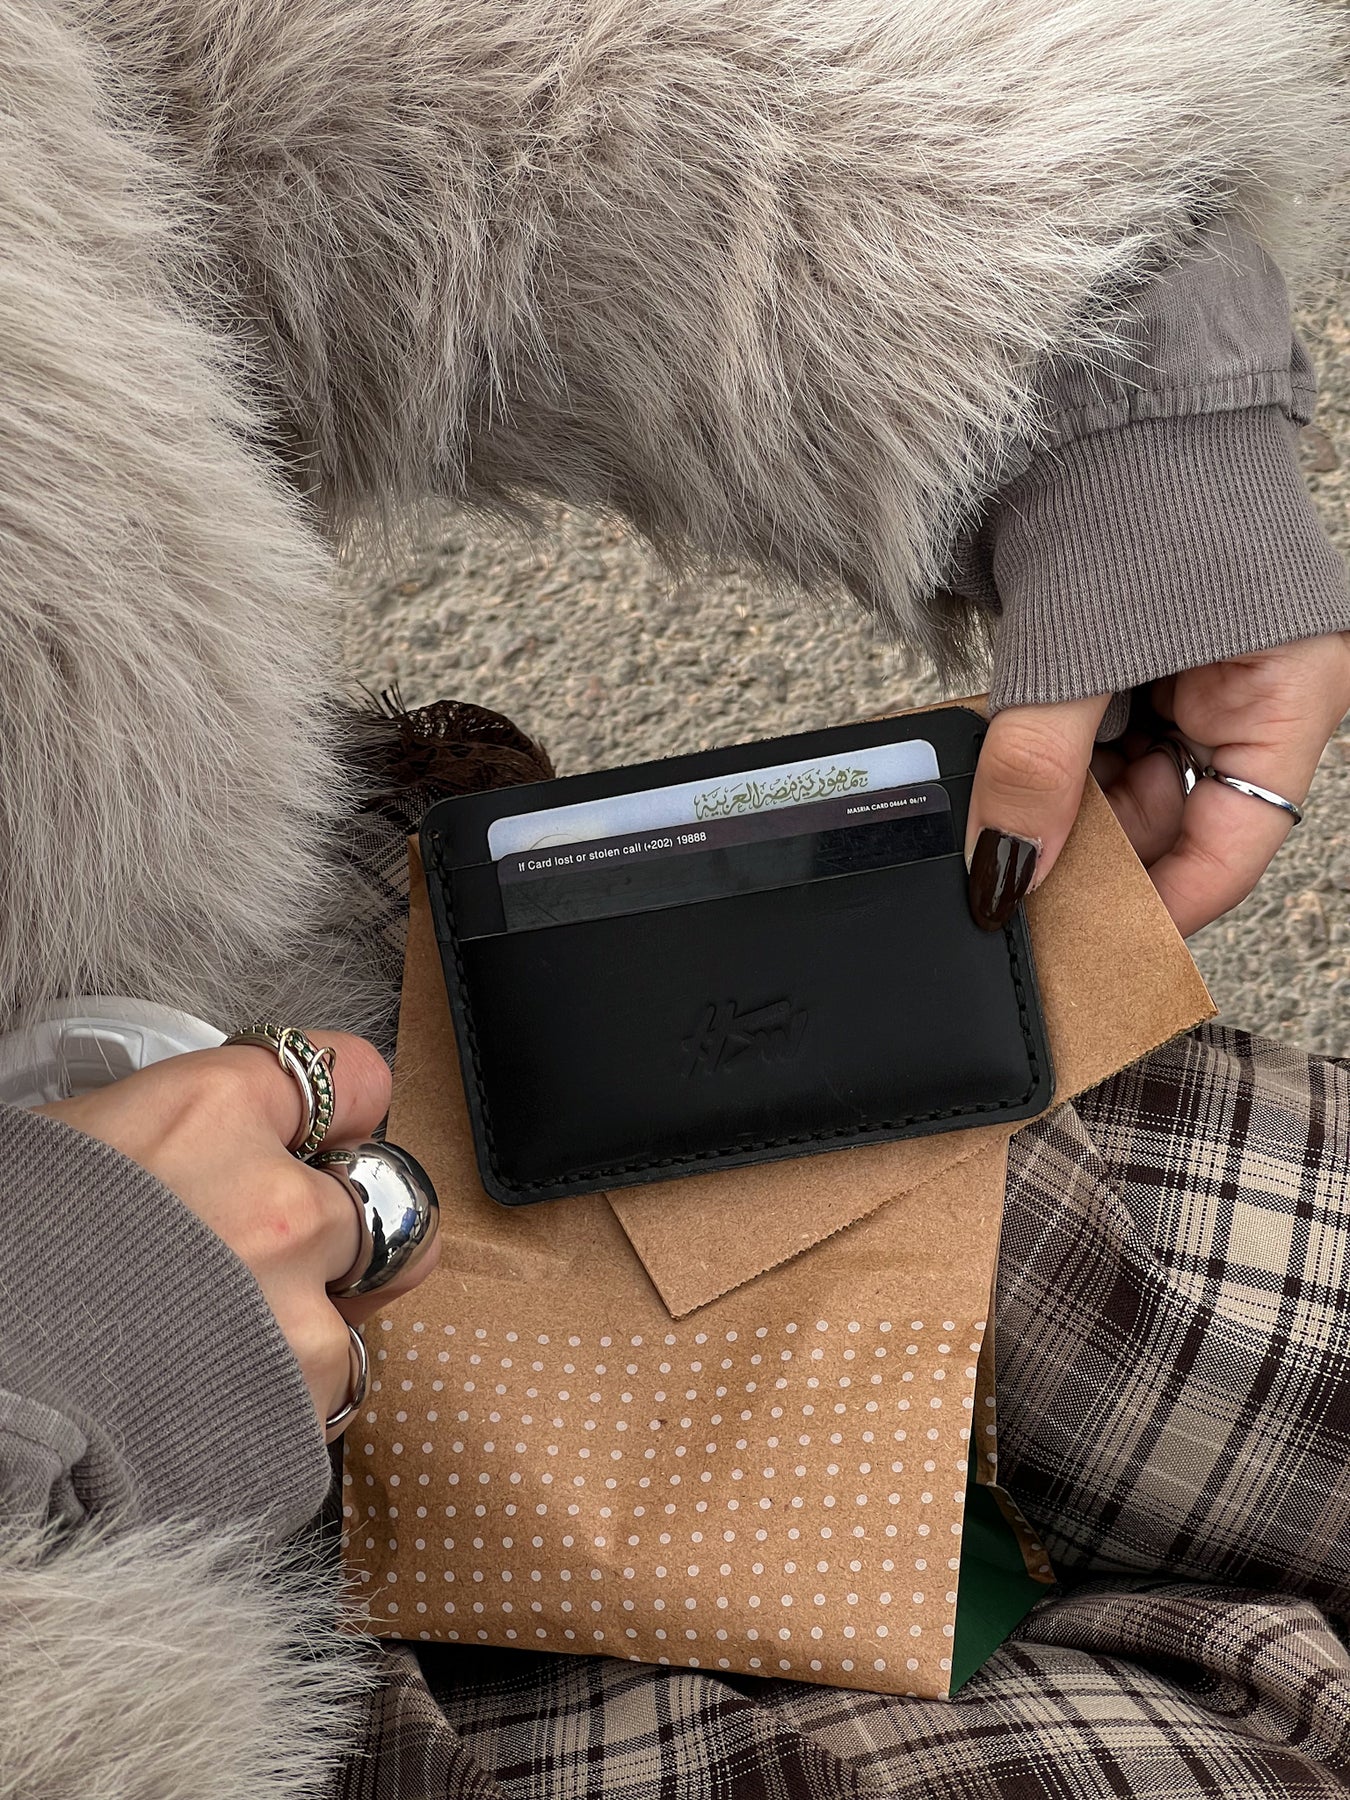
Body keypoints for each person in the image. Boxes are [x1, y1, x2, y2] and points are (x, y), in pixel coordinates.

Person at [1, 1, 1348, 1794]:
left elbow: (193, 99)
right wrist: (56, 1350)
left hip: (432, 1043)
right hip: (157, 1664)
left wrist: (1095, 367)